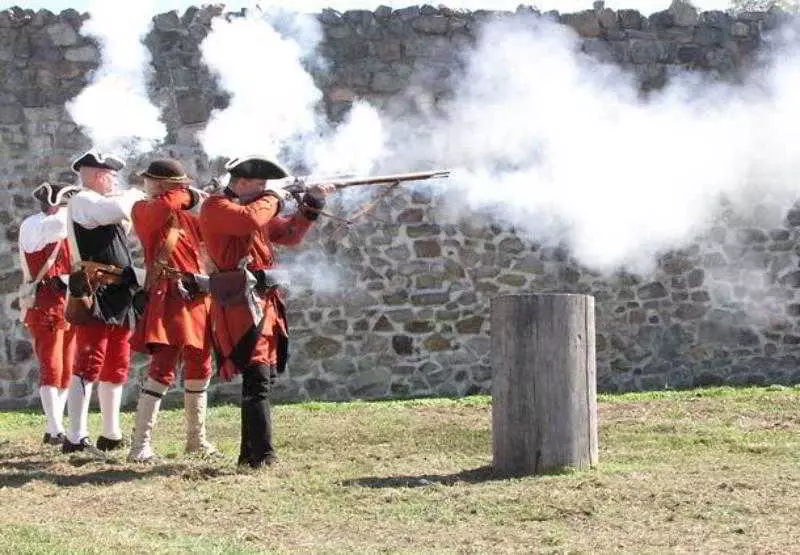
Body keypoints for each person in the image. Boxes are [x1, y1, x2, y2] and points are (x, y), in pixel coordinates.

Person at [198, 156, 332, 468]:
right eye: (259, 185)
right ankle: (262, 456)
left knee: (262, 379)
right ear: (241, 182)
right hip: (240, 305)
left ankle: (251, 455)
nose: (263, 190)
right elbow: (249, 221)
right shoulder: (217, 207)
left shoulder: (253, 208)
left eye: (265, 187)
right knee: (256, 379)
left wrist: (310, 206)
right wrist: (275, 195)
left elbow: (289, 235)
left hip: (262, 302)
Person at [127, 159, 219, 463]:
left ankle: (197, 441)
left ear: (159, 183)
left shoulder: (187, 218)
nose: (144, 184)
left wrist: (220, 201)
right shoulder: (144, 210)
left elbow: (216, 234)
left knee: (200, 366)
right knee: (163, 369)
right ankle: (140, 446)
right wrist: (193, 194)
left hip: (195, 296)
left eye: (149, 180)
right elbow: (171, 204)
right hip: (169, 297)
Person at [63, 149, 146, 454]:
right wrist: (136, 192)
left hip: (118, 293)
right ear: (98, 175)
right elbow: (116, 211)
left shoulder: (101, 202)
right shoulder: (84, 200)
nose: (113, 180)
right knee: (88, 363)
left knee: (117, 364)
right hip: (96, 294)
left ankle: (111, 433)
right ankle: (75, 436)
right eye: (110, 174)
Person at [18, 181, 81, 445]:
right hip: (46, 302)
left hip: (68, 301)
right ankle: (55, 429)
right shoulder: (34, 224)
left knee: (67, 367)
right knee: (51, 366)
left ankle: (53, 425)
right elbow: (59, 226)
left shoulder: (64, 225)